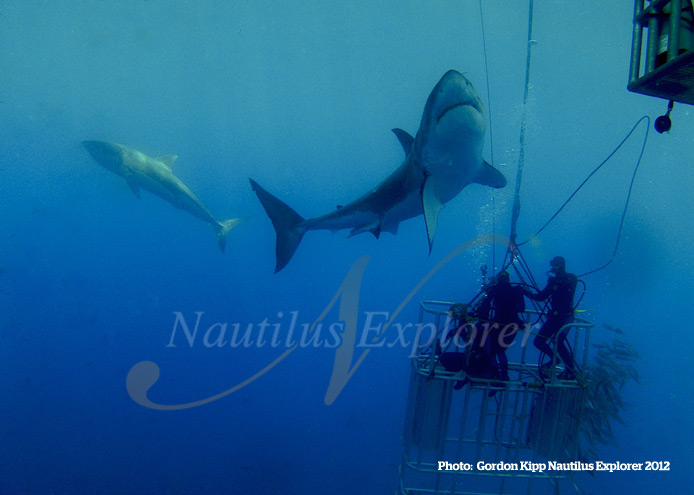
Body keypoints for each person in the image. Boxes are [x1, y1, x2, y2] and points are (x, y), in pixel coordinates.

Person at [524, 256, 578, 380]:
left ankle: (569, 370)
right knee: (540, 341)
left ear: (562, 265)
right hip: (555, 318)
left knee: (557, 342)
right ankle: (556, 361)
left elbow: (570, 289)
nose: (553, 268)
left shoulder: (570, 278)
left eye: (555, 265)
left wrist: (557, 282)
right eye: (553, 265)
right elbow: (541, 297)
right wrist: (526, 292)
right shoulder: (554, 281)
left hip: (565, 318)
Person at [476, 271, 525, 381]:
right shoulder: (516, 290)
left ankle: (497, 374)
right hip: (513, 324)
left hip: (498, 324)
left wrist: (478, 315)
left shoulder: (495, 290)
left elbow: (485, 304)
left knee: (493, 351)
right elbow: (522, 308)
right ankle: (503, 375)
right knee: (500, 350)